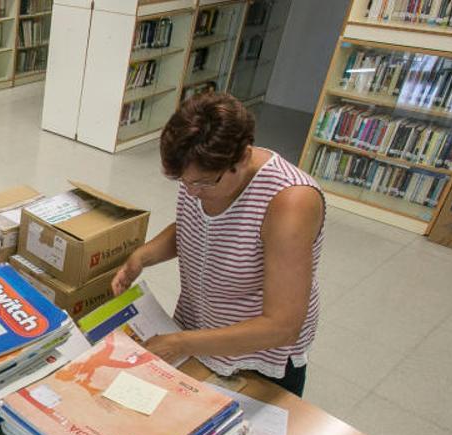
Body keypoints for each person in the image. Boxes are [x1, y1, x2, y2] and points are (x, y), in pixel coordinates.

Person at [111, 92, 324, 398]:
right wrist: (142, 257)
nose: (192, 192)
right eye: (185, 183)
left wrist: (181, 343)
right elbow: (197, 227)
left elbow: (283, 325)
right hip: (200, 330)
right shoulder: (200, 173)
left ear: (243, 158)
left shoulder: (290, 202)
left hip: (255, 356)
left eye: (203, 183)